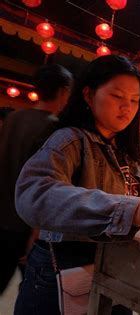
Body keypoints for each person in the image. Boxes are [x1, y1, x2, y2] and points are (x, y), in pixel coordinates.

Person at [14, 55, 140, 314]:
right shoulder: (69, 141)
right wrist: (131, 209)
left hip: (115, 272)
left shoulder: (126, 154)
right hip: (63, 273)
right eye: (117, 96)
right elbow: (34, 194)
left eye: (134, 100)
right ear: (89, 95)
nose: (126, 107)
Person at [0, 64, 73, 294]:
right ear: (63, 92)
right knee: (34, 289)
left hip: (1, 217)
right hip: (23, 223)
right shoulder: (53, 128)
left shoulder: (14, 118)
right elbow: (43, 185)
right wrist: (37, 232)